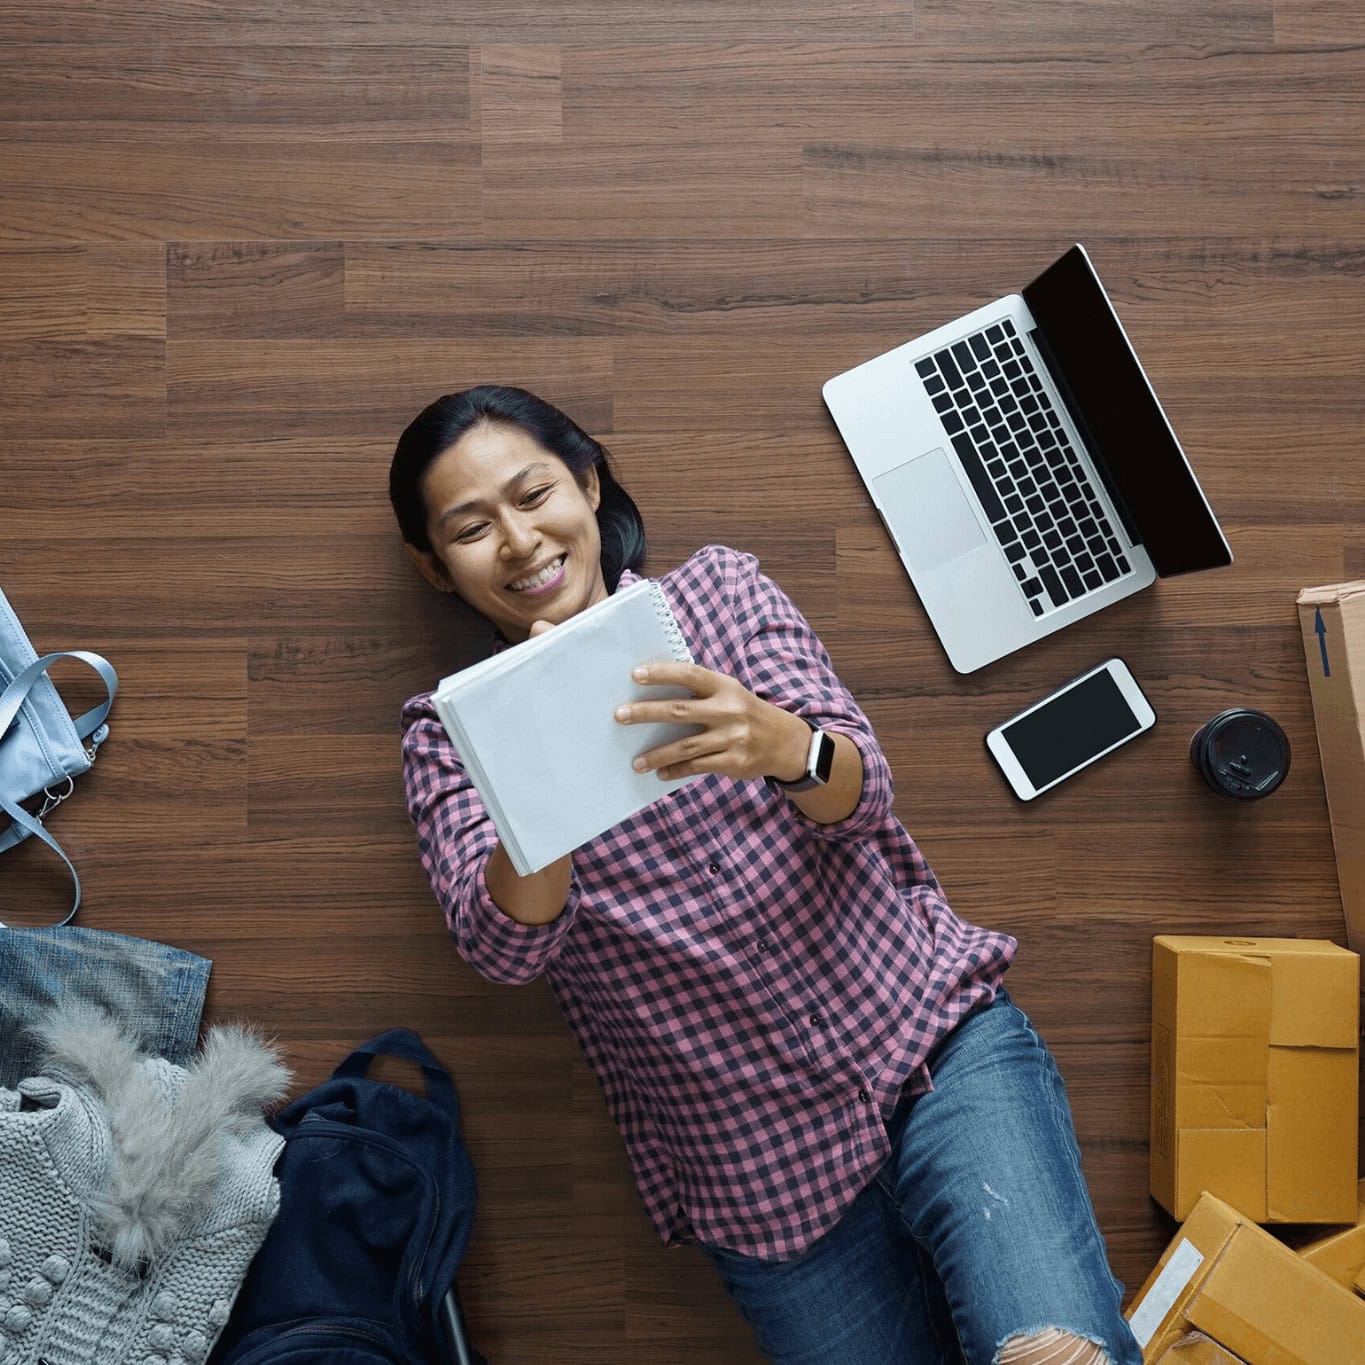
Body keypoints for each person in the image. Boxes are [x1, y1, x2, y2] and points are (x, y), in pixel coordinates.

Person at [390, 385, 1142, 1365]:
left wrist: (785, 746)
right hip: (756, 1178)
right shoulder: (448, 738)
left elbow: (864, 797)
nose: (521, 541)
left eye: (535, 495)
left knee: (1057, 1357)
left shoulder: (719, 596)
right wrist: (541, 775)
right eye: (472, 528)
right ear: (437, 566)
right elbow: (503, 951)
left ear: (588, 482)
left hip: (931, 1050)